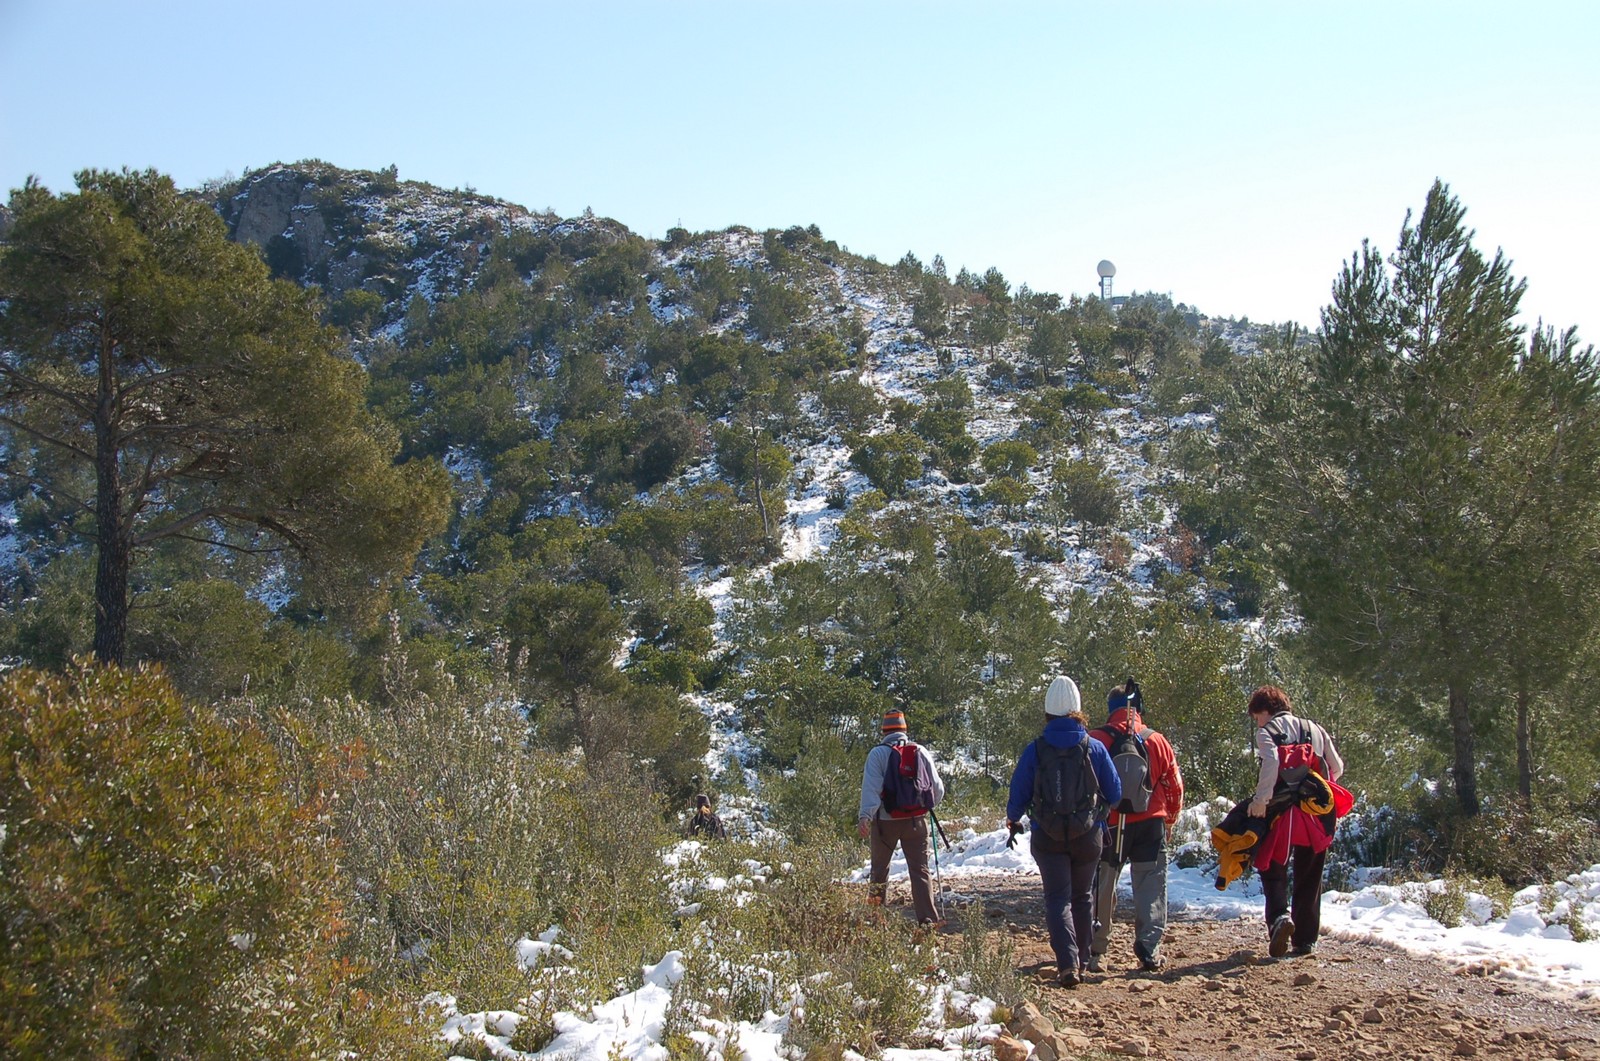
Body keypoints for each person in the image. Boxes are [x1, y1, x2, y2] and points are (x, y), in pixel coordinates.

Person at [1006, 676, 1121, 988]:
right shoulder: (1095, 747)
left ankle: (1067, 963)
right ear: (1078, 710)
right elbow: (1115, 792)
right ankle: (1081, 961)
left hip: (1048, 836)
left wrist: (1013, 819)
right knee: (1082, 897)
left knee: (1058, 899)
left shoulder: (1035, 750)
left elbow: (1018, 794)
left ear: (1047, 711)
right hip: (1088, 836)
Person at [1089, 679, 1184, 973]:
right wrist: (1170, 819)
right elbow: (1174, 786)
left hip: (1110, 824)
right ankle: (1149, 948)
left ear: (1110, 709)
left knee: (1104, 884)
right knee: (1151, 884)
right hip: (1150, 822)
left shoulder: (1096, 739)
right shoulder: (1156, 740)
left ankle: (1096, 947)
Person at [1246, 684, 1345, 958]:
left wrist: (1261, 800)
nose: (1258, 722)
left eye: (1257, 717)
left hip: (1284, 813)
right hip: (1316, 813)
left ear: (1265, 710)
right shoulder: (1315, 728)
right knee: (1310, 873)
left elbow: (1271, 764)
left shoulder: (1267, 732)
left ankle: (1279, 918)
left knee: (1271, 864)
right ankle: (1305, 940)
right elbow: (1336, 767)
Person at [858, 709, 946, 924]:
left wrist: (865, 816)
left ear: (884, 731)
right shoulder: (920, 751)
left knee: (879, 871)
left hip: (885, 823)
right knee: (920, 870)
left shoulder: (877, 754)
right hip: (916, 822)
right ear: (905, 729)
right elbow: (938, 789)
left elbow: (871, 790)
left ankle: (875, 920)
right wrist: (923, 808)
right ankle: (928, 920)